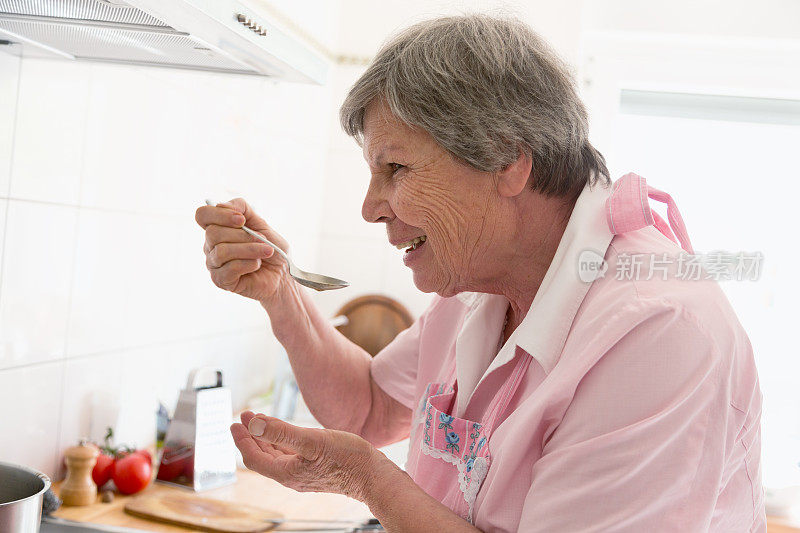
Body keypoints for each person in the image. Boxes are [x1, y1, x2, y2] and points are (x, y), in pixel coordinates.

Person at [195, 14, 765, 532]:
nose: (370, 207)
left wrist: (369, 481)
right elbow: (367, 409)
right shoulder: (479, 283)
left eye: (395, 168)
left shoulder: (658, 332)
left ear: (506, 160)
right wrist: (281, 294)